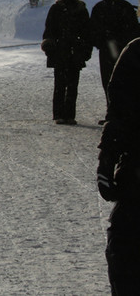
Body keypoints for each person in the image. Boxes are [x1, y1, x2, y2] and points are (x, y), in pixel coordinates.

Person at [97, 37, 140, 294]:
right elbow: (119, 113)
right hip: (136, 170)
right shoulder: (136, 53)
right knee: (125, 250)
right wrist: (106, 159)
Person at [41, 0, 91, 125]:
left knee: (73, 86)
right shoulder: (56, 9)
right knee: (60, 85)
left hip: (75, 52)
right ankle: (58, 114)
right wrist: (50, 46)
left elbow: (87, 32)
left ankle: (70, 115)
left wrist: (85, 50)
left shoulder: (81, 10)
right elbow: (49, 29)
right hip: (60, 51)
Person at [92, 0, 140, 102]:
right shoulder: (99, 8)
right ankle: (111, 111)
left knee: (123, 81)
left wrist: (123, 43)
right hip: (106, 50)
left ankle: (121, 113)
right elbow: (92, 29)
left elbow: (133, 30)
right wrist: (100, 42)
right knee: (107, 81)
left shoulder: (124, 7)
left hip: (123, 50)